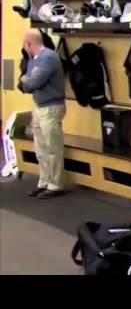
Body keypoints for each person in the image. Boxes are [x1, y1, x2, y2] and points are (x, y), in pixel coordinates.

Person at [20, 29, 67, 199]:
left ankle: (55, 185)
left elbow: (31, 82)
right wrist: (27, 80)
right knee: (41, 149)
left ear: (29, 44)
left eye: (24, 44)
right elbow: (27, 80)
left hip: (51, 107)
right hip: (39, 107)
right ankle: (44, 181)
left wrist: (27, 81)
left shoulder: (48, 57)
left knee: (53, 148)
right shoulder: (35, 60)